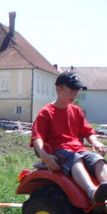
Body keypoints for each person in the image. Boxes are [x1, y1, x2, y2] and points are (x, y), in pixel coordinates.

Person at [31, 71, 107, 207]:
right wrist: (44, 155)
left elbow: (87, 131)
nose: (74, 95)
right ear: (58, 88)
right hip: (58, 151)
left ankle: (105, 191)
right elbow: (37, 137)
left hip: (77, 149)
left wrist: (95, 141)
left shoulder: (76, 111)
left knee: (98, 160)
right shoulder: (46, 112)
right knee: (74, 158)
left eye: (76, 91)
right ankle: (93, 193)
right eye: (71, 90)